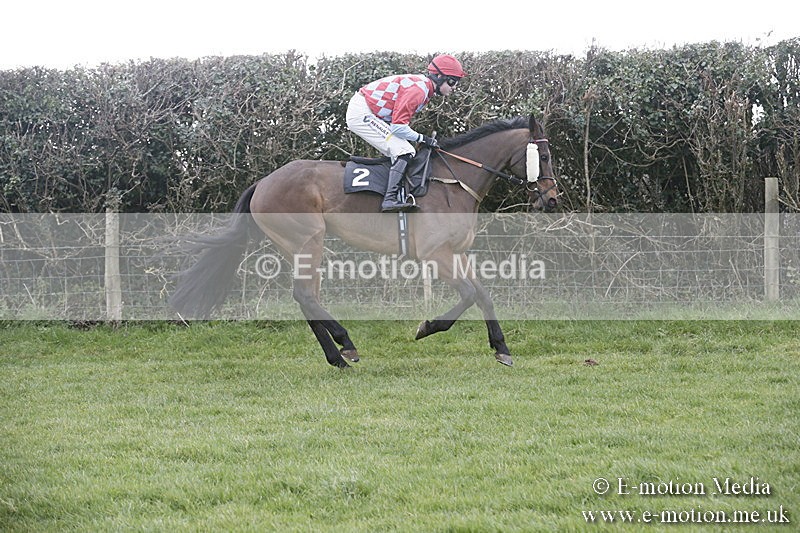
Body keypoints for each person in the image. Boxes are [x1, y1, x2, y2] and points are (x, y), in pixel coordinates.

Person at [346, 54, 466, 212]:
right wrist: (423, 138)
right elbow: (398, 127)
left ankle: (394, 194)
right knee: (405, 150)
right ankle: (389, 200)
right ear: (438, 77)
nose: (454, 87)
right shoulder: (419, 90)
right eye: (452, 81)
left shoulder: (424, 87)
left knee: (401, 149)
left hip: (370, 111)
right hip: (362, 113)